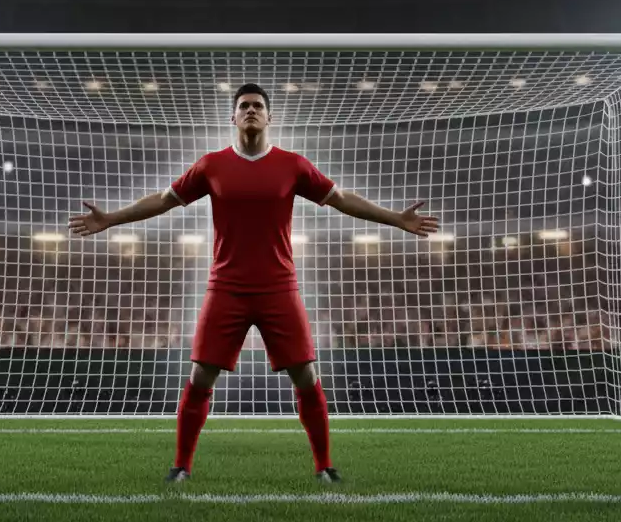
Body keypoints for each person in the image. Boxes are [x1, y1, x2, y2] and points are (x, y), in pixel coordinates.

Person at [69, 83, 439, 483]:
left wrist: (396, 219)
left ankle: (324, 467)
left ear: (269, 116)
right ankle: (181, 467)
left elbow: (342, 198)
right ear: (232, 116)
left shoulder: (292, 165)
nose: (250, 110)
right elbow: (162, 200)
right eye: (244, 105)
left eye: (257, 106)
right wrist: (110, 219)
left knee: (307, 376)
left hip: (279, 289)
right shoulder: (211, 166)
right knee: (200, 376)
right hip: (225, 289)